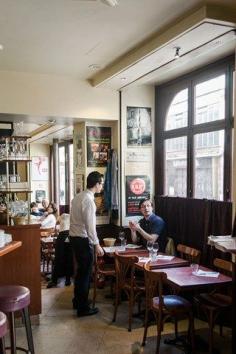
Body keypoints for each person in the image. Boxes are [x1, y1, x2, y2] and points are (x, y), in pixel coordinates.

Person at [69, 171, 104, 317]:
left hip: (74, 238)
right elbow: (90, 226)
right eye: (101, 183)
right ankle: (83, 308)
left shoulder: (78, 196)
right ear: (96, 184)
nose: (102, 186)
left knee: (81, 272)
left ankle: (78, 301)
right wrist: (97, 245)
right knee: (85, 274)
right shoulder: (89, 201)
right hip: (83, 240)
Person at [47, 213, 74, 288]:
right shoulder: (69, 216)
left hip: (64, 235)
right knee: (68, 258)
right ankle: (66, 280)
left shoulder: (62, 216)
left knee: (59, 258)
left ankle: (55, 281)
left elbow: (56, 224)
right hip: (69, 234)